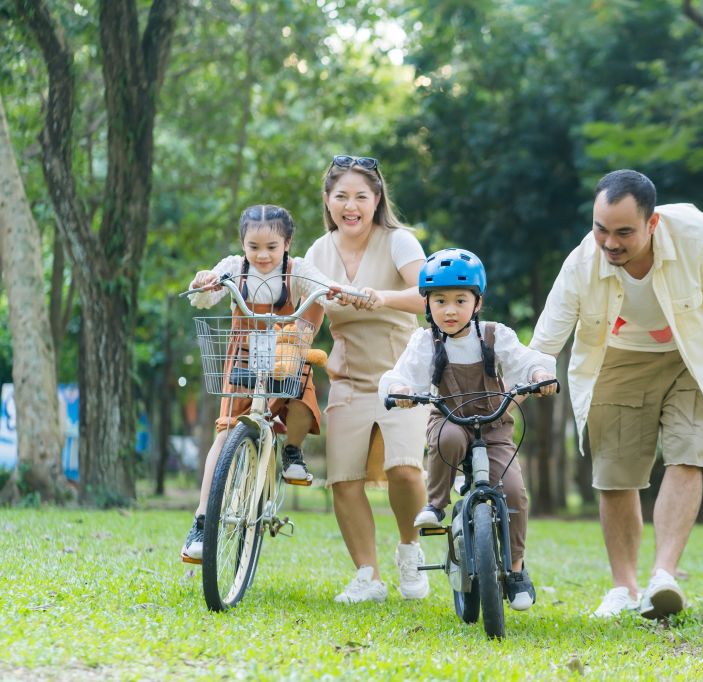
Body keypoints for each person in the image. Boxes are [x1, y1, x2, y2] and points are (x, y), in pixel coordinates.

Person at [529, 170, 703, 618]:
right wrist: (516, 390)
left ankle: (663, 578)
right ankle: (624, 587)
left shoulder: (698, 236)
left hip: (692, 354)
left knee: (689, 453)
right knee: (616, 473)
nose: (610, 243)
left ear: (651, 223)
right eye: (601, 229)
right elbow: (544, 344)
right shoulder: (582, 263)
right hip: (618, 357)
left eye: (623, 232)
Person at [379, 248, 558, 611]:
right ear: (427, 305)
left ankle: (518, 569)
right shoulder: (424, 342)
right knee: (447, 439)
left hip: (495, 427)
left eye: (460, 300)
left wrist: (539, 376)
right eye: (439, 301)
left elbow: (526, 361)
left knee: (514, 492)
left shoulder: (495, 336)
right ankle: (436, 504)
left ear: (477, 303)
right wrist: (401, 391)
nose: (449, 310)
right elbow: (402, 375)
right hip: (449, 418)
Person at [181, 204, 352, 563]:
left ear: (287, 243)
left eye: (271, 247)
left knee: (302, 393)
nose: (262, 255)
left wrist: (337, 291)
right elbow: (205, 293)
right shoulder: (233, 266)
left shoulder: (297, 269)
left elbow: (320, 284)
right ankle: (202, 518)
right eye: (253, 246)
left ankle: (291, 449)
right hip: (242, 355)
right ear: (242, 244)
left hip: (285, 355)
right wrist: (203, 282)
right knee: (225, 433)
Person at [303, 155, 433, 604]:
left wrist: (382, 297)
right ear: (328, 200)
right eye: (341, 196)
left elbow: (428, 296)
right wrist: (289, 343)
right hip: (349, 379)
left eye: (361, 196)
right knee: (343, 478)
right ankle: (367, 575)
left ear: (377, 200)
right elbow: (310, 317)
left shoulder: (399, 242)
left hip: (403, 375)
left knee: (404, 469)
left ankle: (410, 552)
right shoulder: (317, 254)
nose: (350, 205)